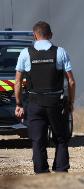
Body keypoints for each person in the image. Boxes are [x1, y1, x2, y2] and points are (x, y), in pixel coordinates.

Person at [14, 21, 76, 174]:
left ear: (34, 35)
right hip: (56, 103)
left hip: (35, 103)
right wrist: (70, 102)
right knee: (61, 138)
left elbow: (17, 82)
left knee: (38, 140)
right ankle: (61, 171)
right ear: (51, 35)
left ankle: (41, 173)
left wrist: (19, 104)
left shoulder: (25, 53)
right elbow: (71, 81)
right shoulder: (60, 52)